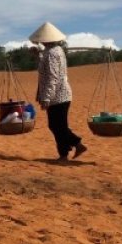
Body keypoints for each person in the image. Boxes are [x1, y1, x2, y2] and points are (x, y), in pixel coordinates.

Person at [29, 22, 86, 161]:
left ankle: (76, 144)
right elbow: (47, 68)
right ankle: (64, 153)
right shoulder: (55, 50)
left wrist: (47, 98)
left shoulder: (52, 53)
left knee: (56, 126)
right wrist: (38, 56)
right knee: (58, 126)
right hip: (60, 95)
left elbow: (52, 77)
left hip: (58, 95)